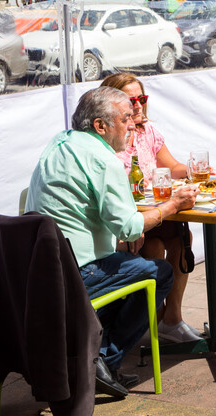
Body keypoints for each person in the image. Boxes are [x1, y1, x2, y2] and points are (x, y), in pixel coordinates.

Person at [25, 86, 198, 397]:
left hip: (38, 270)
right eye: (126, 118)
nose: (132, 124)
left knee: (132, 263)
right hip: (75, 274)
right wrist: (172, 205)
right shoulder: (104, 159)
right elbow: (129, 228)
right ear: (100, 126)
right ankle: (102, 360)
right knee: (160, 272)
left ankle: (91, 352)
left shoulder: (60, 142)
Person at [100, 73, 202, 344]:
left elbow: (171, 166)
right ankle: (151, 324)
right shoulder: (110, 136)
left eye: (141, 98)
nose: (137, 105)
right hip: (126, 218)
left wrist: (194, 170)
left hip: (152, 211)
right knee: (154, 247)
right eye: (130, 100)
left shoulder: (148, 131)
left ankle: (173, 319)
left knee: (183, 238)